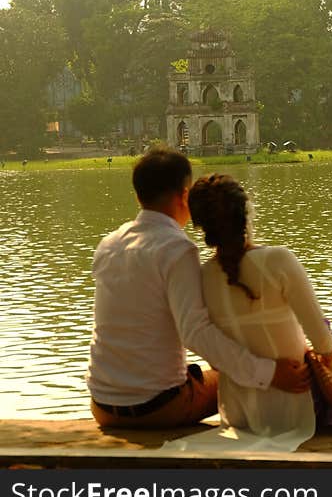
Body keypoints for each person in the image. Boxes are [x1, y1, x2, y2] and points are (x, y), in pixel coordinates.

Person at [86, 146, 311, 429]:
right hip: (156, 407)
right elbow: (195, 333)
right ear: (184, 195)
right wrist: (271, 373)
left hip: (102, 405)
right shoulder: (176, 249)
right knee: (239, 380)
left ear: (138, 195)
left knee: (229, 369)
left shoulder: (108, 244)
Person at [187, 173, 332, 442]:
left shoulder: (201, 276)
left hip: (238, 415)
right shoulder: (278, 260)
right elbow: (323, 342)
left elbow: (214, 358)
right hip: (296, 411)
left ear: (202, 227)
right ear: (246, 213)